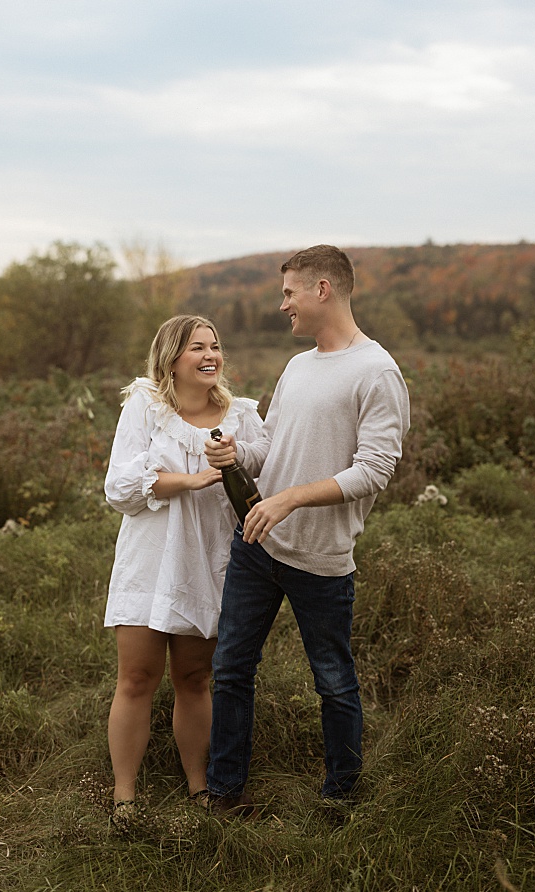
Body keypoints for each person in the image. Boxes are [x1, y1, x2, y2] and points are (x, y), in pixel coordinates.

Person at [203, 245, 410, 816]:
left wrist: (291, 497)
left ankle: (340, 796)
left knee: (333, 681)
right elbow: (271, 445)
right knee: (231, 669)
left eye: (289, 292)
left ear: (323, 289)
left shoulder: (377, 372)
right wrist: (235, 453)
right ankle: (224, 794)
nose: (282, 304)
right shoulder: (298, 365)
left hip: (321, 558)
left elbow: (375, 469)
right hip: (258, 544)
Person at [103, 314, 264, 824]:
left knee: (195, 678)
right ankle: (124, 796)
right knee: (136, 678)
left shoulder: (241, 417)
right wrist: (187, 481)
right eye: (197, 347)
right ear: (172, 358)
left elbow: (266, 475)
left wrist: (234, 461)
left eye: (215, 346)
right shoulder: (145, 409)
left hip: (207, 563)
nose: (210, 355)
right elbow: (119, 489)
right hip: (149, 562)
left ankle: (200, 788)